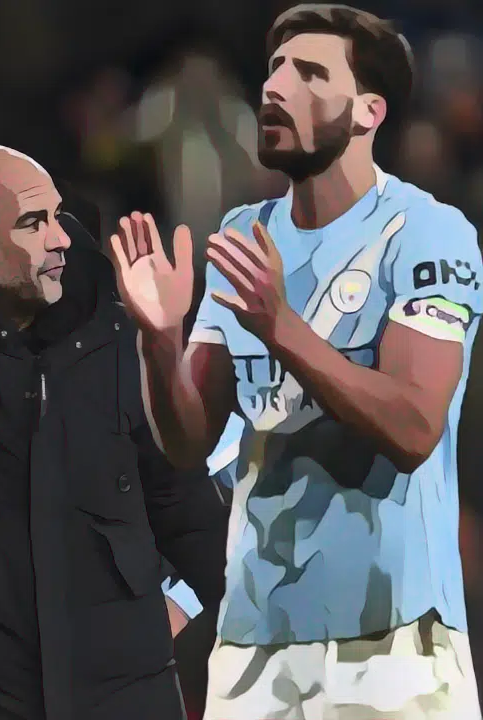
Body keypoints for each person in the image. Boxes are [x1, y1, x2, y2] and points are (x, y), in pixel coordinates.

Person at [111, 4, 483, 719]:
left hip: (391, 637)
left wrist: (283, 327)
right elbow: (189, 439)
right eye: (275, 67)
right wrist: (158, 338)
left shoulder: (427, 234)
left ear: (369, 111)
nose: (276, 86)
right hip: (256, 639)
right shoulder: (243, 234)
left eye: (311, 73)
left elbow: (412, 428)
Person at [0, 145, 229, 720]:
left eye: (55, 217)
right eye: (34, 223)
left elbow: (187, 508)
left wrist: (284, 628)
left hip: (127, 698)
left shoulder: (118, 336)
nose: (62, 239)